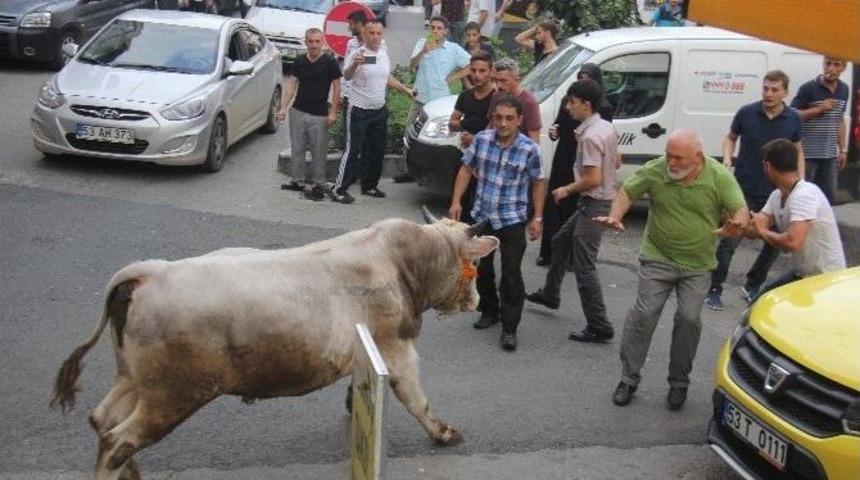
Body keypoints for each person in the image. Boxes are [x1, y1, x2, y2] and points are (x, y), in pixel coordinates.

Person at [593, 129, 749, 410]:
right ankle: (628, 378)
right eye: (668, 155)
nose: (671, 163)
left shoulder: (718, 177)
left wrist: (736, 224)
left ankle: (679, 383)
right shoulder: (656, 171)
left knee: (689, 319)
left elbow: (740, 210)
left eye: (678, 158)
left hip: (698, 264)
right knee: (644, 314)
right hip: (658, 257)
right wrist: (616, 215)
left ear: (697, 157)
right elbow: (628, 192)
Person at [448, 94, 546, 352]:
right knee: (483, 269)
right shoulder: (481, 140)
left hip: (512, 220)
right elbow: (466, 169)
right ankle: (489, 310)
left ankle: (510, 328)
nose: (503, 124)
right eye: (499, 118)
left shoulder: (530, 149)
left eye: (509, 118)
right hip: (482, 217)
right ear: (492, 118)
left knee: (511, 275)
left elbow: (538, 183)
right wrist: (457, 201)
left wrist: (538, 217)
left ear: (519, 120)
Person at [525, 80, 619, 344]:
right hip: (596, 202)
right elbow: (617, 160)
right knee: (559, 241)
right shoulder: (604, 127)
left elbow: (593, 178)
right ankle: (550, 293)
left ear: (586, 105)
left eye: (572, 102)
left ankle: (599, 324)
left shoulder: (590, 136)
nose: (568, 108)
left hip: (594, 203)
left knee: (584, 265)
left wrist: (565, 190)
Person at [705, 71, 805, 311]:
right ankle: (714, 288)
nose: (768, 94)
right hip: (743, 189)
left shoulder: (793, 119)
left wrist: (799, 182)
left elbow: (798, 150)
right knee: (730, 240)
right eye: (765, 89)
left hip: (777, 193)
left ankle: (752, 284)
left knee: (773, 245)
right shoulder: (747, 112)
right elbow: (730, 138)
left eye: (774, 90)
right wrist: (727, 159)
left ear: (785, 93)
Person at [746, 138, 846, 298]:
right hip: (802, 274)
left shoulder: (804, 195)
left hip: (826, 280)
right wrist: (737, 227)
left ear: (768, 166)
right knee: (762, 302)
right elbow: (757, 225)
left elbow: (793, 242)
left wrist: (763, 231)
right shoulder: (777, 195)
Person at [537, 63, 613, 266]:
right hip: (564, 156)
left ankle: (571, 258)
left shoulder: (602, 109)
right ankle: (549, 254)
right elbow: (559, 123)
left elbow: (603, 141)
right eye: (580, 77)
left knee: (573, 208)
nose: (582, 81)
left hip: (584, 163)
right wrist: (555, 131)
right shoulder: (568, 101)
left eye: (587, 78)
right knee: (554, 206)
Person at [332, 20, 414, 204]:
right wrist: (354, 65)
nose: (375, 36)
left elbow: (386, 77)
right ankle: (339, 189)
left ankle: (369, 186)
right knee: (352, 150)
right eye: (371, 33)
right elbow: (346, 75)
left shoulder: (382, 53)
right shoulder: (358, 54)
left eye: (378, 33)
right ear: (365, 35)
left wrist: (406, 89)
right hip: (359, 110)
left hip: (378, 110)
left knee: (376, 150)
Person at [396, 16, 471, 183]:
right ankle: (408, 170)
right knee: (410, 133)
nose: (435, 31)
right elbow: (412, 65)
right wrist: (424, 51)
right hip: (420, 97)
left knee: (435, 137)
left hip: (439, 100)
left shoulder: (452, 49)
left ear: (446, 31)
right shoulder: (422, 43)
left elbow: (472, 64)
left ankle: (431, 171)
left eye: (438, 28)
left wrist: (455, 77)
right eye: (432, 27)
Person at [277, 28, 342, 201]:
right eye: (310, 41)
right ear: (305, 42)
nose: (314, 45)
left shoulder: (330, 62)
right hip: (298, 110)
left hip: (320, 114)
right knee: (297, 147)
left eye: (317, 41)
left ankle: (319, 181)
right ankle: (297, 180)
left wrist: (333, 112)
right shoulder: (299, 61)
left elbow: (337, 87)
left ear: (322, 43)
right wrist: (283, 107)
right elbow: (291, 84)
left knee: (318, 150)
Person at [790, 57, 850, 205]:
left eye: (837, 64)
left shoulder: (844, 89)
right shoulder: (808, 88)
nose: (831, 68)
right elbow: (792, 115)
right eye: (828, 64)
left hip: (829, 157)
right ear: (823, 64)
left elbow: (840, 120)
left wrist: (842, 150)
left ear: (843, 68)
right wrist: (820, 109)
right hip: (807, 155)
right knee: (802, 198)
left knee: (827, 200)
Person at [448, 51, 496, 222]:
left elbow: (500, 132)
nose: (477, 75)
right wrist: (463, 126)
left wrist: (475, 138)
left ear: (491, 71)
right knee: (461, 206)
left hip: (487, 161)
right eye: (473, 70)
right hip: (464, 156)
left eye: (482, 71)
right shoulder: (465, 96)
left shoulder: (497, 98)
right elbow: (452, 122)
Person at [488, 58, 541, 143]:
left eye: (503, 81)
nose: (498, 85)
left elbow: (534, 139)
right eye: (496, 80)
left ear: (516, 80)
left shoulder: (529, 102)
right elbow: (490, 126)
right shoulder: (496, 96)